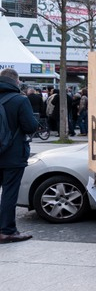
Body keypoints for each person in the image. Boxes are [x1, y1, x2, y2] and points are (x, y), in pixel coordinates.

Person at [0, 69, 41, 243]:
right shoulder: (19, 100)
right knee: (9, 192)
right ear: (16, 82)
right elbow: (30, 126)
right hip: (12, 155)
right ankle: (7, 231)